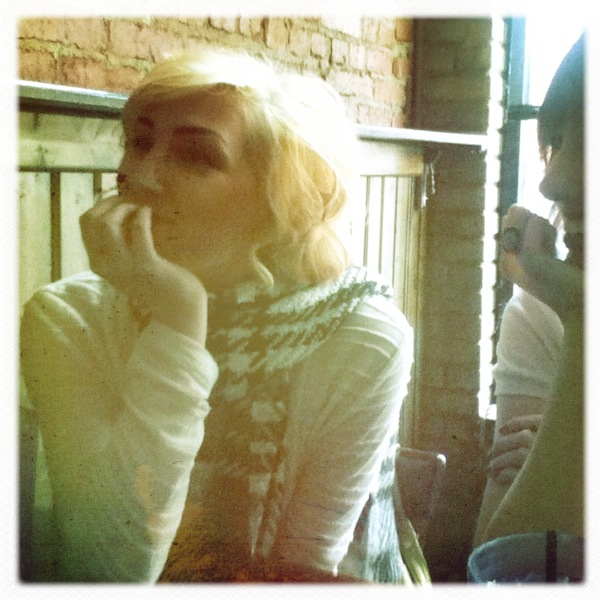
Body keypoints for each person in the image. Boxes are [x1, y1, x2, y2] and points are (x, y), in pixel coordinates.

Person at [19, 47, 414, 582]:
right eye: (139, 142)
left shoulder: (361, 333)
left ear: (281, 198)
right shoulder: (67, 320)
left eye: (195, 156)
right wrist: (179, 321)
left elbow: (304, 570)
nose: (138, 174)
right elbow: (109, 570)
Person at [473, 34, 584, 546]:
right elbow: (500, 564)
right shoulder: (541, 311)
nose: (551, 182)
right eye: (557, 142)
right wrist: (582, 314)